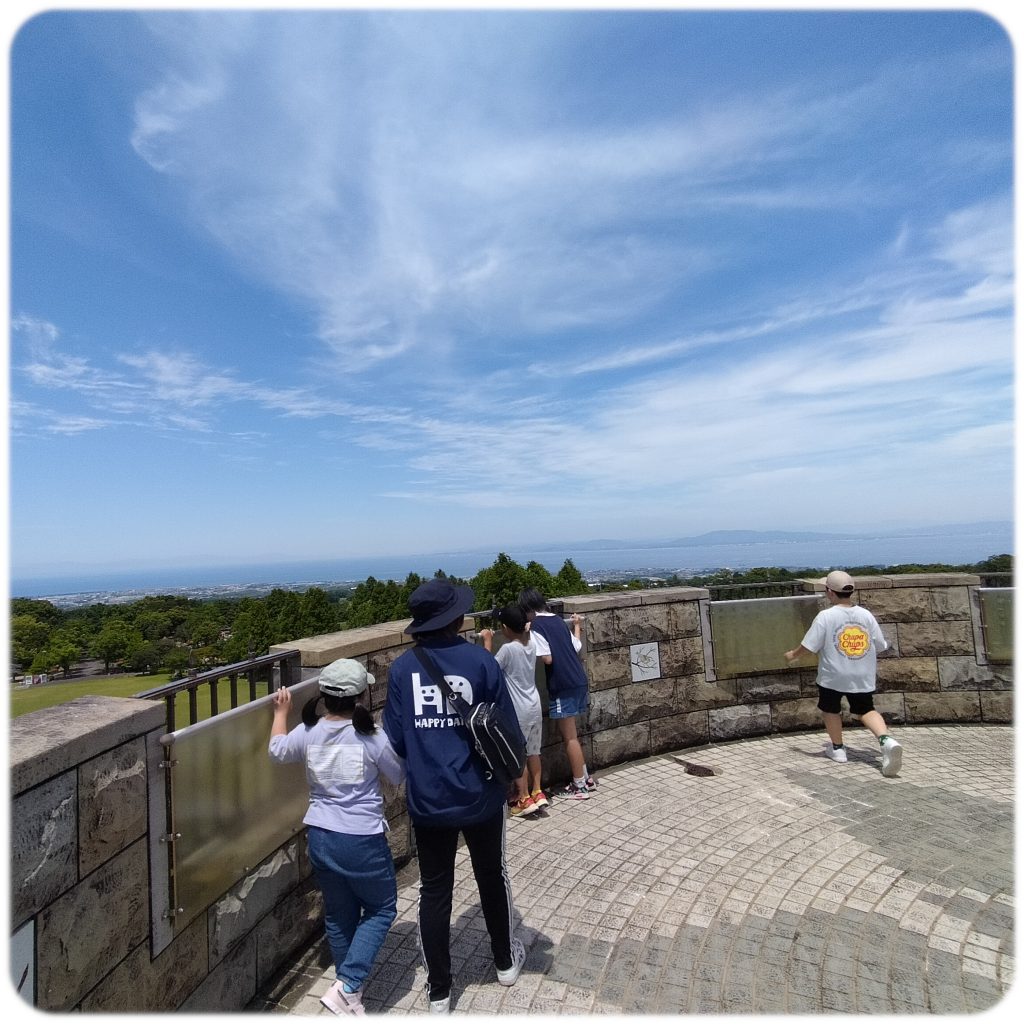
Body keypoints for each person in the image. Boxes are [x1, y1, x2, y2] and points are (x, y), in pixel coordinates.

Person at [382, 579, 527, 1014]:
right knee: (492, 874)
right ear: (456, 619)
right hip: (481, 793)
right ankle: (504, 961)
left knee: (434, 889)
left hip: (429, 799)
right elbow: (508, 728)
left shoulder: (402, 670)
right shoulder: (481, 662)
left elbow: (395, 740)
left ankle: (439, 992)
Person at [269, 659, 406, 1016]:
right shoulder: (371, 736)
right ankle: (347, 986)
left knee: (340, 913)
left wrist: (281, 713)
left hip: (320, 835)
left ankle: (349, 993)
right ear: (361, 697)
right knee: (381, 908)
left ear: (324, 695)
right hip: (361, 838)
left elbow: (277, 750)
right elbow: (397, 774)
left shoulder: (309, 731)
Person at [784, 569, 903, 777]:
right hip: (862, 674)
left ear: (830, 592)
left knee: (830, 709)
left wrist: (793, 655)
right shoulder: (865, 615)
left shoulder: (826, 616)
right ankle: (886, 740)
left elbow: (809, 645)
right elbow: (880, 644)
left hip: (833, 675)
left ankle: (838, 749)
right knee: (866, 709)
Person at [517, 587, 596, 800]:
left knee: (570, 737)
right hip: (577, 680)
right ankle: (585, 777)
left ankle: (580, 787)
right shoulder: (559, 621)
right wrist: (576, 625)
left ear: (527, 608)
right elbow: (576, 645)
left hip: (562, 684)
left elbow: (547, 658)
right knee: (574, 735)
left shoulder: (536, 626)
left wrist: (527, 636)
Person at [479, 604, 550, 817]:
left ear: (505, 628)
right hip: (534, 705)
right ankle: (537, 791)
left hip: (518, 710)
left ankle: (523, 798)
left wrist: (487, 641)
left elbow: (489, 670)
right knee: (534, 751)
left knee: (518, 755)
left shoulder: (509, 649)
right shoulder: (531, 644)